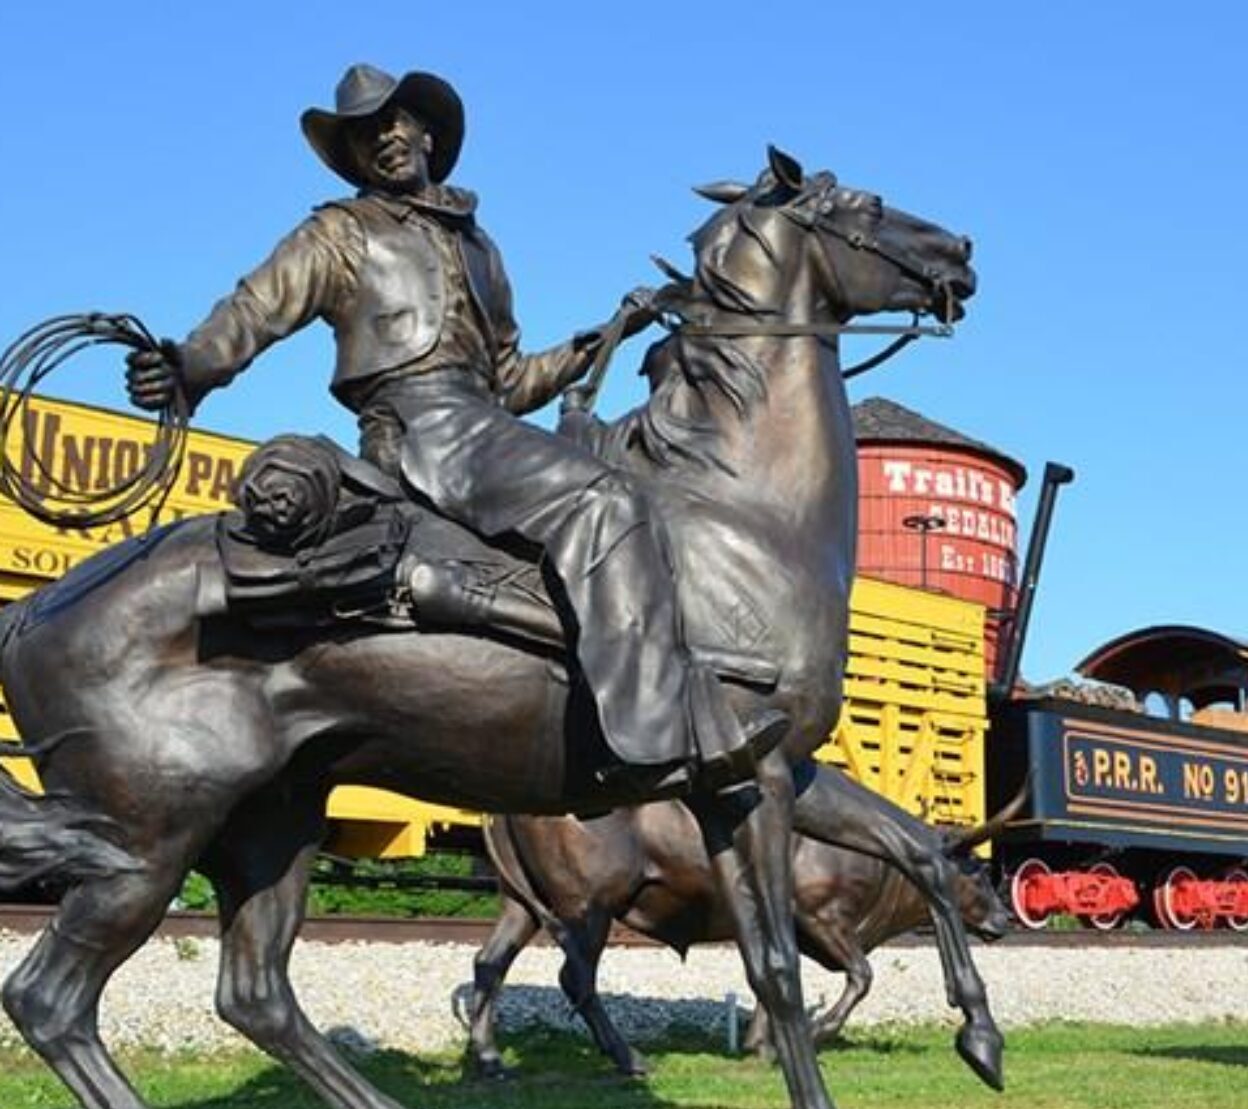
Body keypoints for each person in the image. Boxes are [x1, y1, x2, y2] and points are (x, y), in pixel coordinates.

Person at [126, 64, 786, 796]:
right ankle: (657, 738)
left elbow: (508, 381)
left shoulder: (481, 249)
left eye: (394, 123)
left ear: (426, 133)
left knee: (628, 493)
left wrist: (596, 342)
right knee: (608, 503)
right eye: (364, 133)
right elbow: (252, 311)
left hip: (477, 422)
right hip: (419, 428)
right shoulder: (339, 233)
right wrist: (188, 366)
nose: (384, 140)